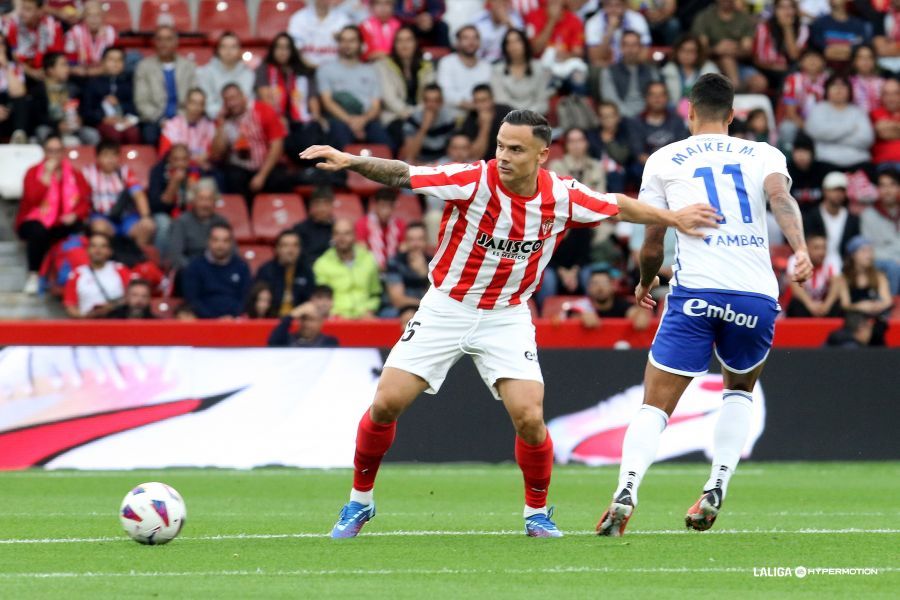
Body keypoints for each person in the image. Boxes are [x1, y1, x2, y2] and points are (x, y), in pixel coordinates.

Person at [298, 108, 719, 539]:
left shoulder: (561, 196)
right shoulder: (473, 181)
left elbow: (619, 207)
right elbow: (405, 174)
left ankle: (536, 513)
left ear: (542, 154)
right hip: (447, 306)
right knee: (386, 403)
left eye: (516, 149)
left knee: (530, 417)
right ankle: (359, 502)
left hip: (507, 315)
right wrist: (352, 161)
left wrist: (674, 218)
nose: (504, 155)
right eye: (500, 145)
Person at [595, 73, 813, 537]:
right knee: (739, 391)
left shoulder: (665, 158)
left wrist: (644, 280)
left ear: (689, 113)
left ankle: (626, 491)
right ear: (733, 116)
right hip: (755, 296)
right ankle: (717, 484)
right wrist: (800, 249)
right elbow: (781, 198)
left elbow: (654, 239)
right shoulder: (764, 154)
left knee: (655, 405)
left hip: (696, 294)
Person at [16, 135, 91, 294]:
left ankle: (80, 276)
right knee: (38, 231)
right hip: (34, 220)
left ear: (63, 152)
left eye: (57, 151)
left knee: (84, 228)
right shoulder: (33, 172)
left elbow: (85, 201)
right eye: (50, 151)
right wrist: (46, 177)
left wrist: (75, 214)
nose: (54, 155)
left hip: (63, 222)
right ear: (44, 152)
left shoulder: (74, 174)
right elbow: (32, 200)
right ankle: (34, 275)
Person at [210, 83, 292, 202]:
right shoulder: (225, 120)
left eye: (234, 98)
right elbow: (216, 153)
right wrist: (221, 126)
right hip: (240, 168)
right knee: (232, 177)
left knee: (281, 179)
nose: (232, 103)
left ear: (243, 96)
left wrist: (262, 175)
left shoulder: (263, 110)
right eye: (227, 100)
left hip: (266, 166)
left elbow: (277, 145)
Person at [316, 25, 392, 150]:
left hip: (367, 119)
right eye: (343, 40)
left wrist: (363, 120)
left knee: (387, 145)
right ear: (338, 44)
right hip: (339, 120)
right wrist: (351, 121)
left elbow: (376, 105)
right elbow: (327, 102)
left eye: (352, 41)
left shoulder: (371, 70)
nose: (347, 45)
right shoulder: (325, 69)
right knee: (342, 143)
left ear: (360, 44)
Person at [254, 33, 324, 162]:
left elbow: (312, 99)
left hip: (301, 120)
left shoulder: (303, 71)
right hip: (276, 119)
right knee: (287, 137)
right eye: (279, 47)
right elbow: (265, 99)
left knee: (316, 131)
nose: (283, 52)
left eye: (287, 48)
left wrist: (316, 116)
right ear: (273, 50)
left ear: (292, 51)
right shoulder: (264, 69)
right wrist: (278, 118)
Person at [82, 140, 155, 247]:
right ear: (97, 157)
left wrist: (145, 217)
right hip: (101, 217)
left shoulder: (125, 172)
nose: (110, 160)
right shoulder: (88, 173)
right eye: (106, 155)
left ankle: (136, 258)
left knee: (148, 226)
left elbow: (138, 195)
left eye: (114, 155)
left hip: (126, 217)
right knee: (99, 227)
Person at [376, 25, 436, 149]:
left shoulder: (427, 66)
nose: (404, 45)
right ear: (394, 44)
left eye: (409, 40)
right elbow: (390, 100)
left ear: (415, 43)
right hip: (395, 117)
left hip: (423, 114)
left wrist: (420, 114)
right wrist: (413, 115)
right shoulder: (383, 66)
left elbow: (431, 96)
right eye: (400, 40)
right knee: (404, 131)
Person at [134, 26, 197, 145]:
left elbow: (193, 97)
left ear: (176, 42)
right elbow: (142, 102)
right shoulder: (144, 67)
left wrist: (179, 120)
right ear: (154, 42)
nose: (164, 43)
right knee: (150, 135)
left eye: (168, 39)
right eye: (160, 39)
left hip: (183, 117)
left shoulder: (188, 66)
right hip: (155, 120)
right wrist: (161, 120)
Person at [312, 219, 383, 318]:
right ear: (332, 236)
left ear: (355, 236)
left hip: (365, 315)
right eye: (337, 233)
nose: (342, 238)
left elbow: (375, 293)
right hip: (335, 317)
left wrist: (370, 309)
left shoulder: (368, 260)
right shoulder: (322, 264)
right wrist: (334, 313)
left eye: (347, 233)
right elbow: (322, 298)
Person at [804, 74, 874, 172]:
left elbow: (866, 139)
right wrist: (850, 128)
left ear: (850, 91)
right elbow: (815, 132)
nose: (839, 89)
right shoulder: (818, 109)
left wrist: (829, 138)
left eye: (843, 85)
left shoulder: (859, 112)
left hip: (858, 161)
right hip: (825, 161)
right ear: (827, 90)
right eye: (834, 85)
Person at [182, 222, 252, 319]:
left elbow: (246, 298)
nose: (220, 245)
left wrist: (232, 316)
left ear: (231, 243)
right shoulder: (195, 266)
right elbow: (192, 299)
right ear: (208, 241)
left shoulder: (242, 267)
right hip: (204, 323)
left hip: (235, 321)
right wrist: (214, 319)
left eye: (225, 241)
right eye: (216, 240)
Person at [690, 0, 763, 92]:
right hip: (710, 63)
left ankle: (743, 101)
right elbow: (701, 48)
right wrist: (716, 50)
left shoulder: (744, 19)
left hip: (739, 63)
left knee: (759, 82)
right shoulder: (704, 17)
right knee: (726, 59)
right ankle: (735, 89)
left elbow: (747, 50)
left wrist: (733, 49)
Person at [834, 236, 893, 344]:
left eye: (870, 251)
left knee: (879, 327)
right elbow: (845, 304)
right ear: (853, 255)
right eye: (864, 251)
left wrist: (876, 306)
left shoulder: (879, 276)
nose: (869, 255)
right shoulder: (843, 278)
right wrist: (860, 306)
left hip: (874, 318)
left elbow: (887, 301)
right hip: (854, 319)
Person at [32, 51, 99, 145]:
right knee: (42, 132)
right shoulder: (39, 90)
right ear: (50, 69)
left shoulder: (74, 88)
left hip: (73, 126)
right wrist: (57, 125)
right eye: (63, 65)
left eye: (67, 65)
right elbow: (37, 116)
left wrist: (80, 119)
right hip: (51, 128)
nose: (67, 69)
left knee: (92, 135)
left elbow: (85, 110)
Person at [63, 232, 132, 318]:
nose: (98, 250)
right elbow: (70, 306)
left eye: (103, 246)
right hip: (88, 325)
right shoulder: (76, 274)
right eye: (93, 246)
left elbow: (133, 296)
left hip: (116, 322)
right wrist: (87, 316)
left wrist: (111, 307)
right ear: (87, 250)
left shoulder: (121, 270)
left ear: (110, 251)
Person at [523, 0, 587, 93]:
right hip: (541, 66)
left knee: (578, 76)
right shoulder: (533, 16)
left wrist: (566, 56)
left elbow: (578, 53)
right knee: (543, 78)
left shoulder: (574, 20)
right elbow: (534, 50)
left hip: (565, 65)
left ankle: (578, 104)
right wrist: (552, 21)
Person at [166, 178, 229, 270]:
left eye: (209, 199)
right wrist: (198, 271)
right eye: (201, 199)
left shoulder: (222, 222)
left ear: (215, 202)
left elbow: (232, 253)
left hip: (219, 271)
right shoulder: (181, 222)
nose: (205, 204)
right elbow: (175, 256)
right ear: (193, 201)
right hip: (190, 271)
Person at [80, 46, 140, 144]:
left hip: (124, 121)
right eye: (111, 60)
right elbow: (87, 111)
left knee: (132, 133)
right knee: (114, 134)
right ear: (103, 62)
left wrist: (120, 106)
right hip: (101, 122)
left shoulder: (129, 83)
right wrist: (103, 118)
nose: (115, 64)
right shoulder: (92, 84)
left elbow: (134, 107)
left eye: (119, 60)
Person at [597, 30, 660, 119]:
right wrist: (631, 118)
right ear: (621, 48)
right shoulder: (608, 71)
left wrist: (644, 116)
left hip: (648, 118)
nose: (630, 49)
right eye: (626, 45)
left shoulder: (651, 71)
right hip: (620, 118)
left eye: (634, 45)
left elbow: (657, 97)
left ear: (640, 48)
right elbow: (610, 100)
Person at [802, 171, 860, 266]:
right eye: (834, 190)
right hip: (816, 265)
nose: (838, 194)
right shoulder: (812, 216)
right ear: (825, 191)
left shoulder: (852, 219)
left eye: (842, 190)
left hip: (846, 267)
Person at [567, 267, 651, 330]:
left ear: (613, 286)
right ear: (588, 288)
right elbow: (570, 319)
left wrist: (641, 316)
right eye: (595, 283)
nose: (600, 288)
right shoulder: (583, 306)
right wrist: (581, 319)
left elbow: (635, 314)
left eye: (604, 283)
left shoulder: (621, 304)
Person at [255, 230, 316, 316]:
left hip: (299, 322)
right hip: (271, 320)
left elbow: (311, 300)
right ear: (277, 249)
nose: (290, 250)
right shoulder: (266, 271)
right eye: (285, 245)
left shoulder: (306, 272)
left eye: (295, 245)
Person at [630, 81, 690, 169]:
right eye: (653, 95)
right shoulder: (637, 122)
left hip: (674, 166)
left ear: (667, 98)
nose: (657, 98)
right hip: (646, 168)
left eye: (661, 95)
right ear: (646, 97)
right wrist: (657, 168)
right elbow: (639, 153)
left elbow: (682, 150)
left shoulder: (677, 120)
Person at [752, 0, 808, 94]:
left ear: (795, 10)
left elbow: (794, 56)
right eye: (781, 7)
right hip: (765, 69)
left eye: (790, 7)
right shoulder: (763, 28)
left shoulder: (802, 29)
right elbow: (756, 59)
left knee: (791, 76)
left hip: (789, 70)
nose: (786, 11)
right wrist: (773, 66)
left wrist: (787, 28)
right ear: (775, 10)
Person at [148, 144, 196, 252]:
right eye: (176, 159)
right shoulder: (158, 172)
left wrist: (192, 189)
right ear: (169, 159)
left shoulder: (196, 172)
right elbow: (157, 206)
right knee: (164, 224)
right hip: (164, 214)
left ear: (189, 160)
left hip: (190, 213)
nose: (180, 164)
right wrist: (174, 183)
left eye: (184, 159)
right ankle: (160, 262)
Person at [436, 25, 492, 119]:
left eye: (475, 38)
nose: (471, 42)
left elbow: (490, 94)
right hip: (452, 116)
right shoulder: (447, 62)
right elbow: (444, 93)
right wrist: (470, 106)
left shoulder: (486, 66)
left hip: (481, 116)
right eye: (466, 38)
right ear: (457, 42)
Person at [491, 28, 551, 114]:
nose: (513, 46)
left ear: (525, 44)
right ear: (505, 47)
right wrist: (517, 117)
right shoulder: (497, 70)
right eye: (509, 42)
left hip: (534, 118)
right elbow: (501, 101)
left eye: (517, 41)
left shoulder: (538, 68)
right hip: (507, 119)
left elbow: (542, 102)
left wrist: (526, 117)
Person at [777, 47, 827, 150]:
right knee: (787, 128)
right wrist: (808, 128)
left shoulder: (828, 80)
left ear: (823, 62)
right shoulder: (793, 80)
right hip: (798, 122)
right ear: (800, 63)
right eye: (808, 58)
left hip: (823, 122)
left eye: (816, 58)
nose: (812, 61)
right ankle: (788, 157)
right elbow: (791, 113)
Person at [198, 32, 255, 120]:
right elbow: (207, 103)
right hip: (215, 120)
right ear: (217, 50)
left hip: (245, 120)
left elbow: (251, 102)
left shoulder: (249, 74)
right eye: (224, 46)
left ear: (240, 50)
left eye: (233, 47)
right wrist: (224, 112)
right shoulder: (206, 72)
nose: (228, 51)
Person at [860, 170, 900, 294]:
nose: (887, 190)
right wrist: (895, 259)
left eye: (892, 185)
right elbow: (868, 248)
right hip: (881, 260)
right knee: (893, 267)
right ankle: (890, 308)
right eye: (883, 185)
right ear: (877, 189)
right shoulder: (868, 214)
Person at [661, 35, 719, 119]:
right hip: (673, 116)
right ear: (677, 51)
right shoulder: (667, 72)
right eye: (683, 50)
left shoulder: (710, 71)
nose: (686, 54)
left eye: (691, 51)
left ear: (698, 53)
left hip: (703, 116)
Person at [5, 0, 64, 81]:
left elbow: (57, 57)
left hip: (47, 73)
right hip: (23, 72)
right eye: (22, 8)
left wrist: (46, 72)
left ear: (40, 11)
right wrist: (31, 72)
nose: (23, 13)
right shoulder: (14, 25)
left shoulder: (52, 26)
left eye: (28, 10)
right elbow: (13, 56)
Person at [785, 233, 841, 317]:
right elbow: (795, 286)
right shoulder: (796, 259)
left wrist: (827, 306)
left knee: (837, 304)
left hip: (823, 304)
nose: (821, 252)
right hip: (804, 303)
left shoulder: (831, 260)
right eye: (816, 248)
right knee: (796, 304)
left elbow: (836, 284)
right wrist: (810, 304)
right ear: (807, 250)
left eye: (824, 248)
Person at [158, 88, 216, 170]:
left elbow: (213, 153)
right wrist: (190, 161)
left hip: (202, 169)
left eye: (201, 104)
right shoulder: (171, 126)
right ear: (186, 103)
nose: (197, 108)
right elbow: (164, 155)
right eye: (194, 103)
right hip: (177, 168)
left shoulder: (210, 127)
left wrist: (208, 156)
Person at [399, 83, 456, 163]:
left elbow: (452, 150)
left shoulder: (448, 119)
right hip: (418, 161)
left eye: (435, 101)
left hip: (441, 161)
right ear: (423, 102)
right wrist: (424, 127)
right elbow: (410, 155)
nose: (431, 105)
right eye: (428, 100)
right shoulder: (412, 120)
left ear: (441, 102)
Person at [585, 0, 651, 67]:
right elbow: (595, 59)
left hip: (633, 65)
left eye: (618, 5)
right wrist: (610, 31)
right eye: (609, 5)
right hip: (606, 67)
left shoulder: (637, 19)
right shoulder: (593, 23)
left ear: (625, 6)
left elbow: (644, 53)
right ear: (604, 6)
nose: (613, 10)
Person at [384, 222, 432, 312]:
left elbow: (437, 298)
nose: (416, 244)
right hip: (398, 311)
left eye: (420, 239)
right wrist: (425, 304)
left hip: (426, 311)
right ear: (405, 242)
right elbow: (398, 300)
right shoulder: (395, 263)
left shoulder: (434, 263)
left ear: (426, 241)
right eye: (411, 240)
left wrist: (425, 275)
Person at [809, 0, 871, 69]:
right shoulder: (819, 24)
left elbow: (858, 49)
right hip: (824, 72)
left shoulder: (858, 25)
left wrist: (847, 52)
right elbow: (825, 51)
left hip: (852, 72)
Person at [288, 0, 351, 68]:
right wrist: (309, 65)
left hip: (336, 69)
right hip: (304, 68)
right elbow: (294, 47)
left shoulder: (343, 19)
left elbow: (350, 47)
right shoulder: (298, 18)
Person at [355, 188, 407, 270]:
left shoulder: (399, 224)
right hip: (371, 268)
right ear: (375, 205)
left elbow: (403, 250)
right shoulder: (363, 223)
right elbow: (362, 250)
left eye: (390, 206)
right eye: (382, 206)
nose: (386, 211)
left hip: (394, 269)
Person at [459, 84, 513, 161]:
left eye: (484, 100)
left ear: (492, 99)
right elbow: (476, 155)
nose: (481, 105)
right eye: (477, 101)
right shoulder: (470, 119)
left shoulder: (506, 112)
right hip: (485, 163)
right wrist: (485, 125)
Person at [64, 0, 115, 79]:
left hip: (104, 75)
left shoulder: (109, 32)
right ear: (84, 17)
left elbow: (113, 59)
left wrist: (97, 71)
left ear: (103, 17)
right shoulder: (75, 32)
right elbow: (69, 60)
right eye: (89, 15)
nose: (94, 19)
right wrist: (76, 69)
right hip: (80, 76)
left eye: (97, 15)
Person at [549, 127, 606, 192]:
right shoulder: (557, 166)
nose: (576, 145)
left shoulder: (596, 166)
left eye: (580, 140)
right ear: (566, 144)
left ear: (587, 143)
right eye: (572, 141)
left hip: (593, 201)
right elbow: (557, 193)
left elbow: (601, 194)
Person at [292, 186, 336, 264]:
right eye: (317, 204)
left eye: (326, 203)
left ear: (332, 205)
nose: (322, 208)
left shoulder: (338, 229)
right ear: (310, 206)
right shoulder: (300, 230)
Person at [267, 301, 340, 347]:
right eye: (304, 319)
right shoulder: (287, 339)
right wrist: (291, 315)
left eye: (311, 320)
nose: (306, 324)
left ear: (320, 322)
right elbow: (272, 342)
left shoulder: (328, 342)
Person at [0, 32, 28, 143]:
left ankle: (19, 134)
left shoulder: (14, 67)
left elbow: (19, 93)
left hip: (8, 111)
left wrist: (6, 66)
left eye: (2, 43)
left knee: (22, 100)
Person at [787, 133, 827, 209]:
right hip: (792, 214)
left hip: (817, 217)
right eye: (798, 151)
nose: (801, 155)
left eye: (805, 151)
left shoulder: (823, 170)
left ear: (812, 153)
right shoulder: (786, 170)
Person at [871, 79, 900, 170]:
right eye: (886, 94)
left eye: (896, 93)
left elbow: (885, 130)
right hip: (884, 163)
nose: (891, 98)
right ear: (881, 96)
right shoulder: (874, 113)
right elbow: (882, 132)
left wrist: (890, 126)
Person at [848, 44, 884, 115]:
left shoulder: (883, 83)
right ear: (854, 62)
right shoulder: (848, 83)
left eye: (869, 57)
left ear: (874, 61)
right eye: (861, 57)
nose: (865, 61)